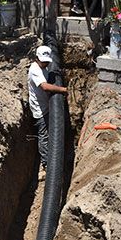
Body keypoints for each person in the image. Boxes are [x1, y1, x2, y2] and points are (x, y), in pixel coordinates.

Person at [28, 46, 68, 179]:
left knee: (50, 133)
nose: (45, 64)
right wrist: (62, 89)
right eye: (43, 61)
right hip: (40, 109)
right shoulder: (34, 69)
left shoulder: (43, 67)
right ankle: (45, 164)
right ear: (36, 58)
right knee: (44, 137)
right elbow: (44, 87)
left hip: (46, 105)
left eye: (47, 62)